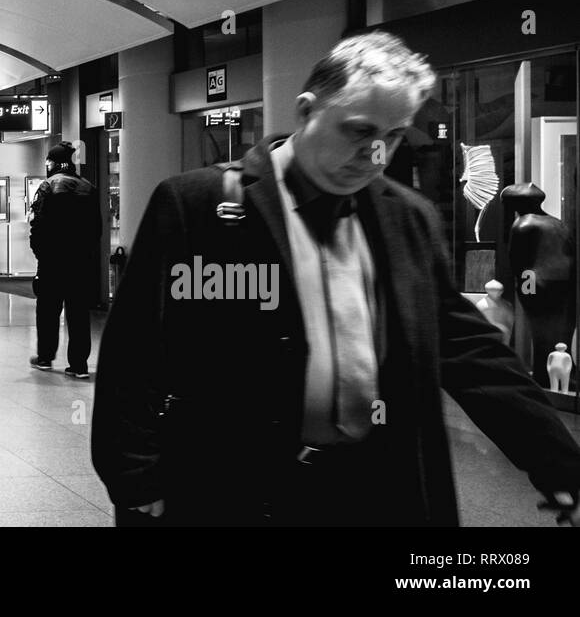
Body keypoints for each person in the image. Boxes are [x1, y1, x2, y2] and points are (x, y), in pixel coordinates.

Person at [91, 31, 580, 527]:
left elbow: (471, 352)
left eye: (392, 137)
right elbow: (134, 351)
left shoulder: (409, 217)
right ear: (306, 111)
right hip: (235, 488)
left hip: (374, 488)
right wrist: (134, 477)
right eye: (358, 131)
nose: (376, 155)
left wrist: (560, 463)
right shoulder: (196, 206)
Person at [29, 141, 102, 379]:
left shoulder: (48, 186)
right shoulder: (88, 187)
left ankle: (45, 357)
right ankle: (79, 365)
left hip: (52, 262)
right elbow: (97, 228)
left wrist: (40, 253)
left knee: (48, 310)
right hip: (81, 263)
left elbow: (37, 225)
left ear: (52, 163)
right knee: (79, 313)